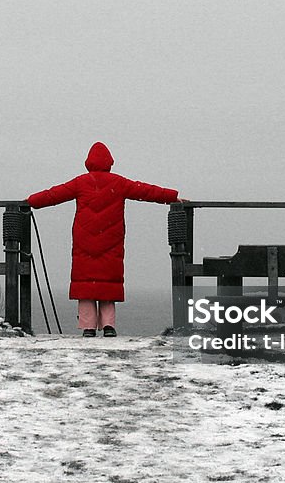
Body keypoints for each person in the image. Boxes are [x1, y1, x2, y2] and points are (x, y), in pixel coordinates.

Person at [27, 141, 181, 337]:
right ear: (110, 163)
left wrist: (31, 201)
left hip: (84, 244)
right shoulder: (120, 183)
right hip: (112, 243)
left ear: (88, 163)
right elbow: (146, 191)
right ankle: (109, 327)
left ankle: (88, 328)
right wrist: (173, 197)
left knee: (85, 286)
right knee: (109, 285)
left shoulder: (80, 183)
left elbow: (53, 194)